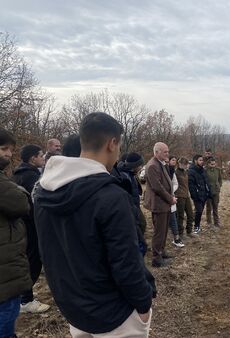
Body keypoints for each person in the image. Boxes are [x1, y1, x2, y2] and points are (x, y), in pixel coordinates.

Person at [34, 112, 156, 337]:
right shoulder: (111, 196)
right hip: (116, 315)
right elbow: (126, 262)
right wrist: (143, 305)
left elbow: (48, 254)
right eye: (118, 147)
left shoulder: (44, 192)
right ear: (112, 143)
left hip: (75, 309)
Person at [0, 128, 32, 338]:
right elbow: (21, 203)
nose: (9, 154)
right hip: (5, 272)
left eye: (10, 149)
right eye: (4, 149)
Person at [12, 145, 50, 313]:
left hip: (23, 225)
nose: (43, 158)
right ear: (33, 158)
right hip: (32, 226)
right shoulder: (31, 177)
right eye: (41, 155)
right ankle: (26, 300)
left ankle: (22, 297)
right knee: (33, 261)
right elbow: (38, 203)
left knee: (28, 259)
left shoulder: (18, 174)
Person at [143, 142, 177, 268]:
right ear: (156, 152)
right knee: (159, 231)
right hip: (159, 204)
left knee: (163, 230)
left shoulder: (160, 163)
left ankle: (161, 252)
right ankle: (156, 259)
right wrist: (170, 199)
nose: (167, 154)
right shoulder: (152, 165)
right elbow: (158, 188)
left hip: (164, 203)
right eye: (165, 152)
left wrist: (170, 198)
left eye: (168, 151)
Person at [115, 152, 148, 256]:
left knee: (141, 225)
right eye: (140, 165)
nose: (141, 167)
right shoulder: (125, 176)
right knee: (139, 227)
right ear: (135, 166)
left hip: (135, 206)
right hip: (130, 209)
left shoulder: (131, 174)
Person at [188, 154, 211, 234]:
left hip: (204, 194)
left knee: (200, 211)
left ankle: (197, 226)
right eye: (200, 160)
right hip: (197, 196)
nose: (202, 162)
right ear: (195, 161)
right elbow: (191, 185)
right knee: (199, 211)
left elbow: (206, 181)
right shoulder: (191, 171)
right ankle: (195, 227)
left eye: (202, 160)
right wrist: (195, 195)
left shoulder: (203, 170)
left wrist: (208, 191)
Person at [175, 157, 195, 238]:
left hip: (186, 195)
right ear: (180, 164)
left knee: (190, 214)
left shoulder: (186, 172)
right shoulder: (176, 173)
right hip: (179, 196)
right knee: (180, 215)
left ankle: (189, 231)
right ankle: (180, 233)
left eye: (187, 164)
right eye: (185, 164)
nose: (186, 166)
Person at [167, 156, 184, 248]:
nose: (174, 161)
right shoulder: (162, 169)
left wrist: (171, 191)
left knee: (173, 218)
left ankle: (176, 238)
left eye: (175, 160)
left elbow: (175, 183)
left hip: (171, 197)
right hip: (162, 199)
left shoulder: (172, 171)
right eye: (172, 160)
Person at [205, 157, 223, 227]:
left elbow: (220, 179)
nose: (213, 165)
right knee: (209, 207)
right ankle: (209, 222)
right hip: (209, 191)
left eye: (214, 163)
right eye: (211, 164)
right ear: (209, 164)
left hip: (216, 191)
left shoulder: (218, 170)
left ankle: (216, 222)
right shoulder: (205, 170)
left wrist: (219, 185)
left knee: (215, 207)